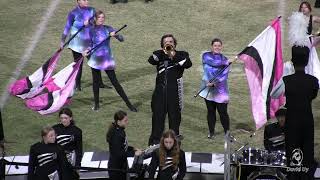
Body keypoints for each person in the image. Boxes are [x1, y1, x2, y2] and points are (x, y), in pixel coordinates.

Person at [82, 10, 137, 111]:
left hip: (107, 60)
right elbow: (89, 45)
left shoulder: (108, 28)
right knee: (96, 82)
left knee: (115, 82)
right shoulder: (91, 30)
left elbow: (122, 39)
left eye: (103, 17)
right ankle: (97, 104)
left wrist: (115, 35)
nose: (101, 19)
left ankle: (129, 105)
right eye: (99, 17)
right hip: (95, 60)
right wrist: (86, 51)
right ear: (95, 19)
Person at [148, 34, 192, 145]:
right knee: (157, 122)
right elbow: (151, 60)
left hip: (175, 94)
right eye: (166, 42)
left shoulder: (182, 54)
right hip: (159, 94)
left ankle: (175, 148)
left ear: (174, 44)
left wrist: (173, 55)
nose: (168, 43)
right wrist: (164, 52)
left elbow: (188, 64)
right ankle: (154, 147)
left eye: (171, 41)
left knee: (174, 122)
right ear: (162, 44)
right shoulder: (159, 54)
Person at [283, 46, 319, 179]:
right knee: (307, 153)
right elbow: (312, 96)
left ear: (292, 61)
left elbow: (275, 94)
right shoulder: (314, 81)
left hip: (292, 121)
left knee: (292, 153)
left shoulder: (286, 80)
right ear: (306, 61)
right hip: (307, 120)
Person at [61, 0, 108, 91]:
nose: (86, 1)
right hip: (77, 44)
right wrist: (62, 41)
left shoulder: (92, 10)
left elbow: (96, 23)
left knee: (95, 63)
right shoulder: (73, 13)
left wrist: (91, 24)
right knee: (79, 65)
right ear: (78, 1)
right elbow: (67, 27)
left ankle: (99, 83)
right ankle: (77, 84)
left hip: (89, 43)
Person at [198, 38, 231, 139]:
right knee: (210, 111)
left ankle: (227, 133)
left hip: (220, 90)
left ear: (221, 47)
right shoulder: (206, 55)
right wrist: (225, 63)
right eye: (215, 45)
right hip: (208, 88)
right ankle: (211, 132)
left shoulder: (225, 59)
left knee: (223, 113)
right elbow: (212, 63)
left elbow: (224, 75)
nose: (217, 47)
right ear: (212, 46)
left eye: (219, 45)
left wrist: (215, 82)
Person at [106, 110, 142, 180]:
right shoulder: (116, 135)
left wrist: (132, 148)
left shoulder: (120, 130)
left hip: (122, 165)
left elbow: (122, 146)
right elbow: (119, 154)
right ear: (119, 122)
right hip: (116, 169)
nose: (127, 122)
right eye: (125, 121)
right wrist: (134, 153)